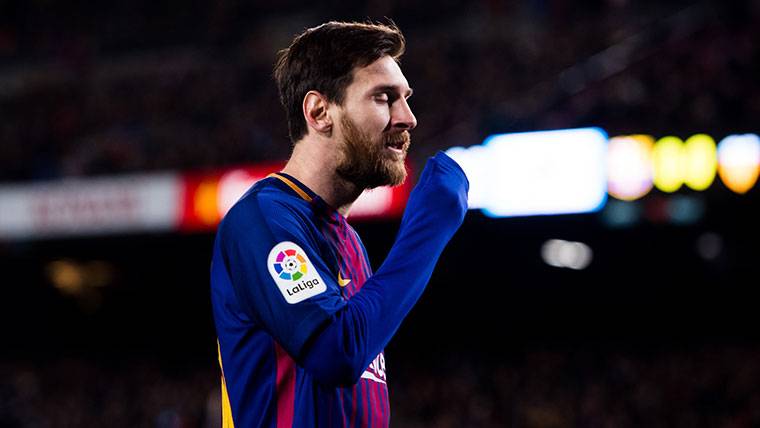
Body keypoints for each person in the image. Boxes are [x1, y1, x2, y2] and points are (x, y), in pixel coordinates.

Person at [211, 21, 468, 427]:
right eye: (384, 98)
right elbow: (336, 353)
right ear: (319, 112)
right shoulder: (262, 219)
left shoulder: (348, 241)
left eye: (406, 99)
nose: (408, 118)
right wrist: (429, 229)